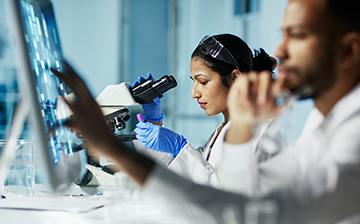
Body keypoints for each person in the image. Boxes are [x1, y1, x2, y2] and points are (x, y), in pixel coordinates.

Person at [51, 0, 360, 222]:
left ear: (348, 50)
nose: (280, 52)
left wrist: (111, 148)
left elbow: (236, 213)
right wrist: (238, 124)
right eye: (283, 35)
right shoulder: (325, 121)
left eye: (299, 35)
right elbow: (238, 197)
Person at [133, 34, 277, 187]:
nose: (194, 93)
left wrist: (180, 147)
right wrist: (155, 122)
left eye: (203, 81)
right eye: (194, 82)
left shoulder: (255, 132)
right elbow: (181, 180)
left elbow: (222, 195)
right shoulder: (222, 132)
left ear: (235, 78)